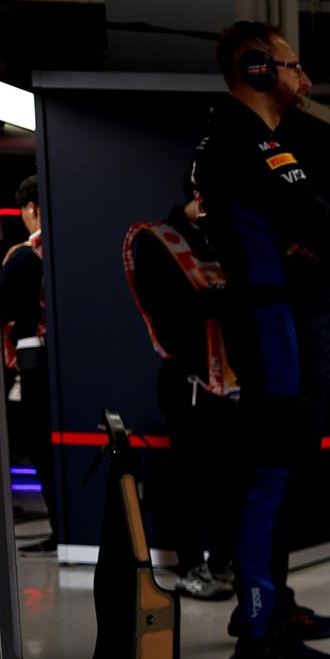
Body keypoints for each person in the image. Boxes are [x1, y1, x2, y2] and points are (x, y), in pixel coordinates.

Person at [193, 19, 330, 659]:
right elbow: (326, 229)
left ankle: (273, 606)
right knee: (270, 474)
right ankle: (258, 631)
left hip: (275, 321)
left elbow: (313, 228)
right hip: (269, 326)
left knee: (281, 473)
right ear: (258, 68)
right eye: (293, 66)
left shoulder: (242, 139)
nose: (304, 80)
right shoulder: (243, 140)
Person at [127, 178, 241, 601]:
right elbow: (172, 315)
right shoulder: (157, 240)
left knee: (230, 481)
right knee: (191, 480)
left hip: (235, 380)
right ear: (200, 194)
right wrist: (225, 299)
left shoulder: (227, 238)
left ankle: (223, 561)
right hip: (188, 380)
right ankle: (191, 567)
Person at [0, 174, 55, 553]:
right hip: (67, 360)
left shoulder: (23, 257)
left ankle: (61, 529)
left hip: (33, 360)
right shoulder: (68, 247)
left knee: (39, 446)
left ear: (31, 209)